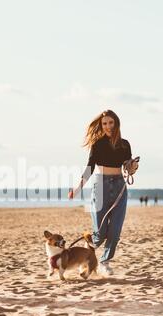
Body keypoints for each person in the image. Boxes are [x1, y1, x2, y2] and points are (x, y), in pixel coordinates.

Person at [68, 109, 133, 275]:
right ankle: (90, 244)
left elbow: (129, 168)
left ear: (116, 123)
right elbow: (89, 168)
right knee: (101, 232)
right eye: (105, 123)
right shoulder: (97, 144)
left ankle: (104, 262)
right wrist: (77, 188)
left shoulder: (125, 144)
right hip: (101, 186)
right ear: (101, 125)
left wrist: (133, 166)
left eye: (111, 123)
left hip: (120, 187)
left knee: (115, 231)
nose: (108, 126)